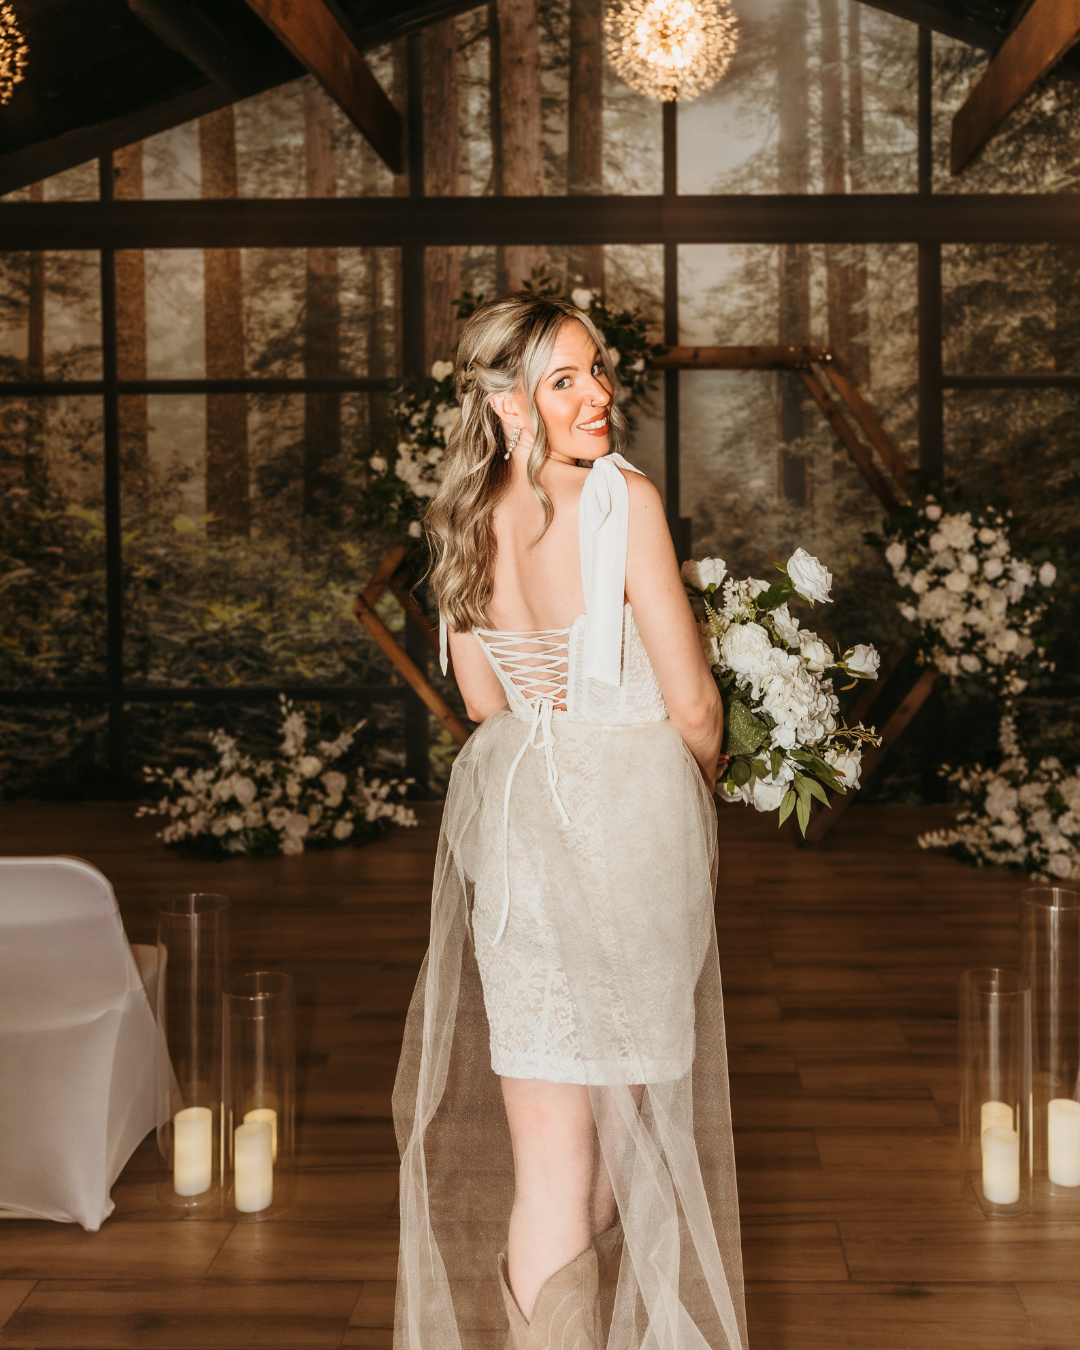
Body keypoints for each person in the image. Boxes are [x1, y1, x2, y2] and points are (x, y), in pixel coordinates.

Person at [393, 291, 746, 1350]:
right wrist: (704, 777)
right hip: (625, 834)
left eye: (596, 371)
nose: (598, 395)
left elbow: (483, 704)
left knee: (551, 1165)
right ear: (506, 404)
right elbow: (690, 704)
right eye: (565, 381)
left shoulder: (458, 514)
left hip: (515, 835)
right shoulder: (620, 502)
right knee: (630, 1131)